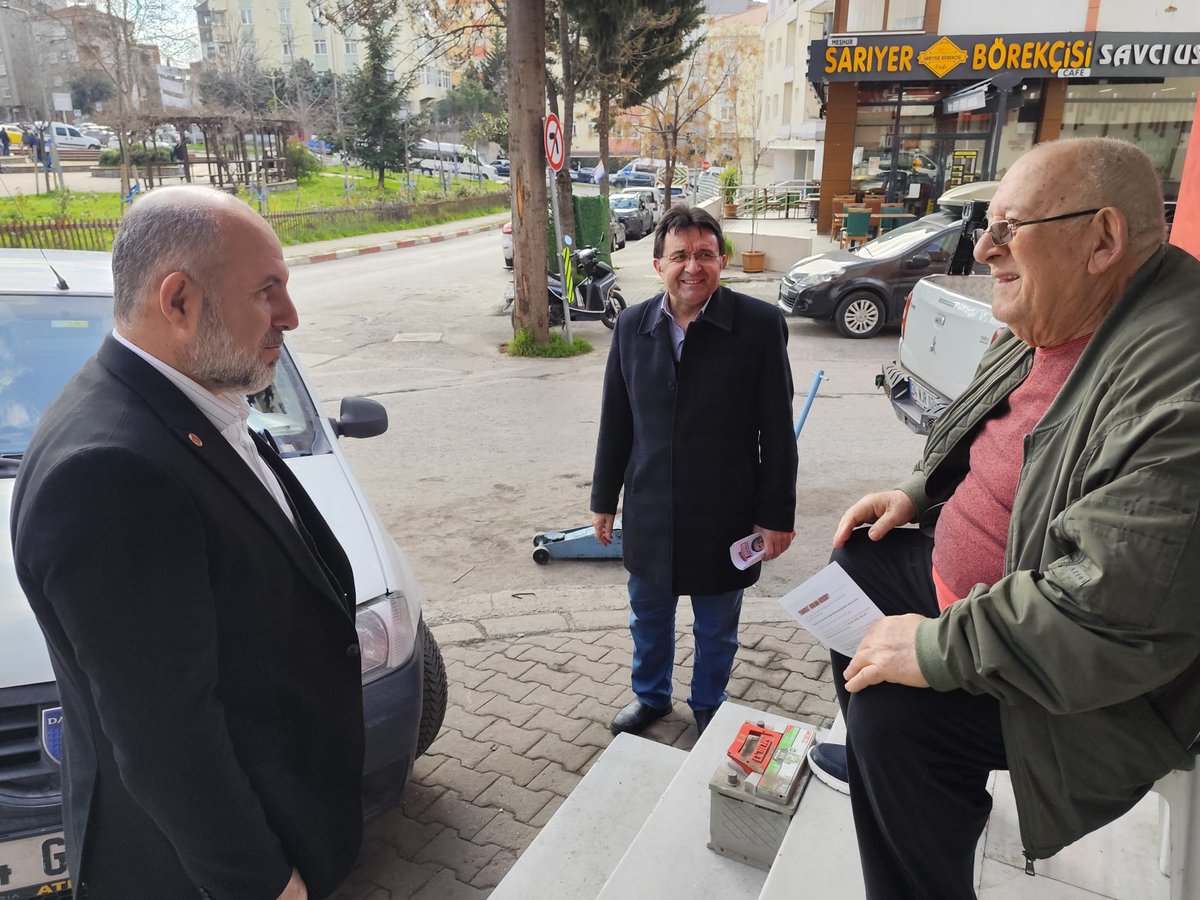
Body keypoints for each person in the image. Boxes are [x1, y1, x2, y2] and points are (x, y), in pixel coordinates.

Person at [813, 137, 1200, 900]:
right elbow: (984, 427)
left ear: (1103, 239)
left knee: (894, 718)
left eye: (1006, 228)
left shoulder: (1179, 386)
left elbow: (1104, 617)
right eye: (985, 227)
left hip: (1084, 675)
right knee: (859, 557)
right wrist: (918, 491)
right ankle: (898, 784)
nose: (984, 248)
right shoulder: (1060, 310)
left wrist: (931, 646)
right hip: (988, 599)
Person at [11, 185, 365, 900]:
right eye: (268, 292)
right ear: (178, 302)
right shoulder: (111, 471)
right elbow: (167, 739)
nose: (290, 316)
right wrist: (267, 886)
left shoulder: (187, 398)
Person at [591, 205, 798, 737]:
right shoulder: (634, 325)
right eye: (679, 255)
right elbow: (617, 419)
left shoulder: (758, 325)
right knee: (649, 617)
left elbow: (776, 432)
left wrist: (775, 516)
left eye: (705, 254)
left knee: (716, 626)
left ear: (722, 261)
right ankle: (651, 697)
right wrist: (603, 500)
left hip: (725, 512)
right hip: (650, 508)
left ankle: (709, 703)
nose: (692, 266)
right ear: (658, 263)